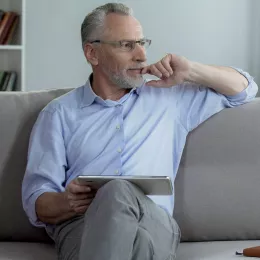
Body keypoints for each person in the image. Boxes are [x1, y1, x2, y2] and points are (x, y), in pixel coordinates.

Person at [22, 2, 258, 260]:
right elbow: (37, 201)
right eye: (126, 45)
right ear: (92, 53)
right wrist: (66, 202)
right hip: (83, 225)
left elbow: (245, 89)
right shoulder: (58, 114)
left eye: (142, 42)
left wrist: (190, 70)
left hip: (153, 221)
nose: (142, 55)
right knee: (137, 240)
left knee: (117, 191)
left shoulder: (169, 99)